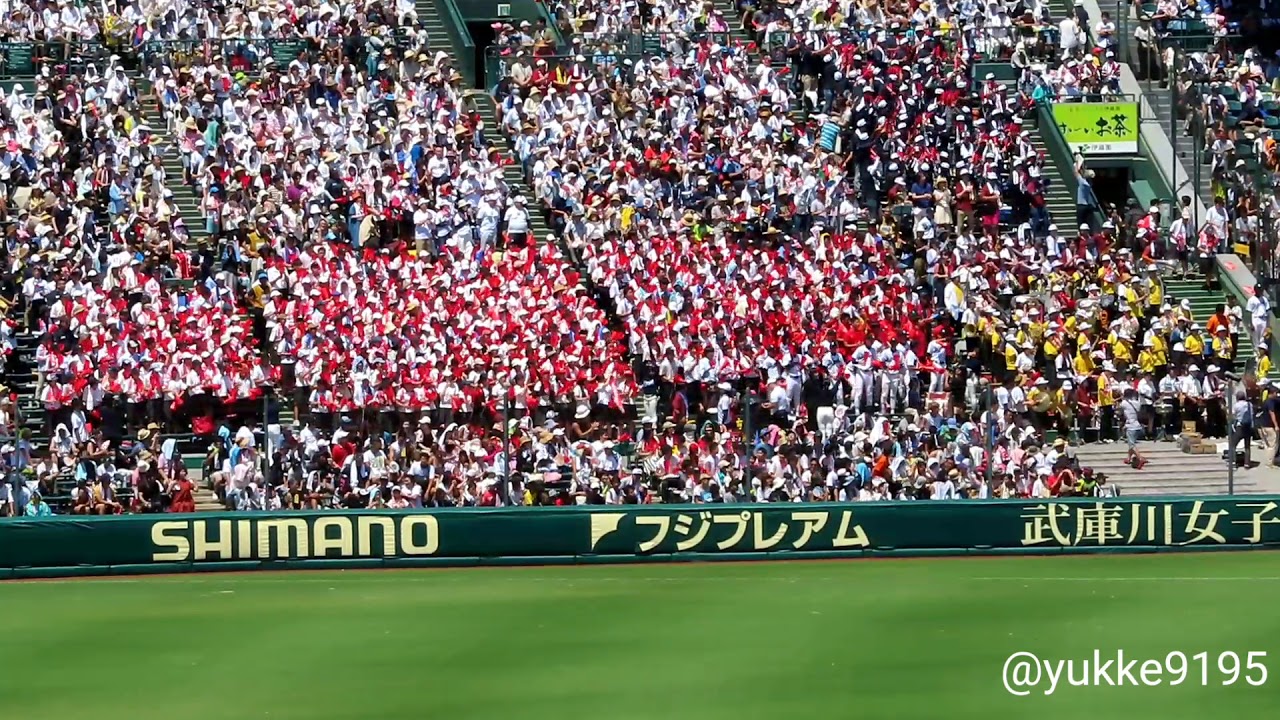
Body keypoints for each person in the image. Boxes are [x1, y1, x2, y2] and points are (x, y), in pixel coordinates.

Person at [1120, 389, 1148, 469]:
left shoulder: (1124, 403)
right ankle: (1128, 458)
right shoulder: (1137, 403)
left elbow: (1120, 408)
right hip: (1137, 425)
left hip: (1130, 426)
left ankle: (1140, 458)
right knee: (1131, 443)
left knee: (1132, 445)